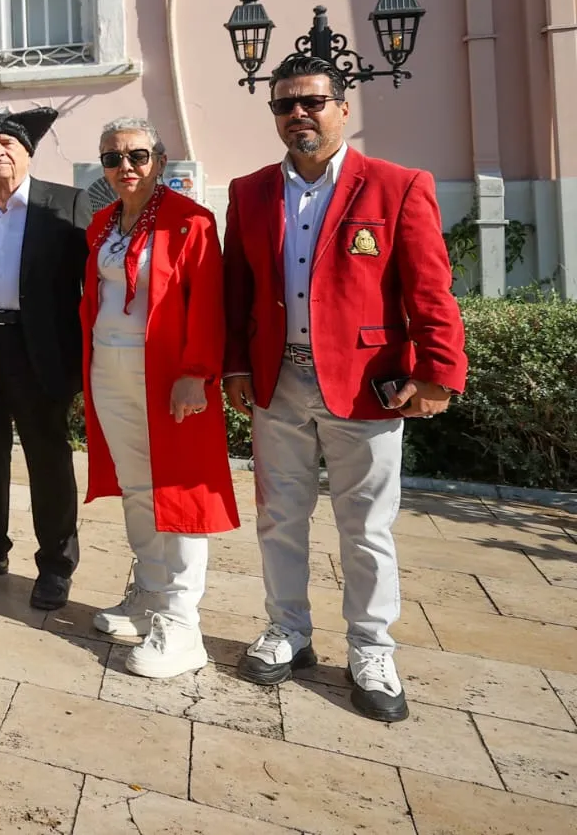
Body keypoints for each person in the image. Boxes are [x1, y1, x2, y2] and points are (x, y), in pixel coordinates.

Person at [223, 54, 466, 723]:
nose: (298, 113)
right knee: (280, 517)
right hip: (278, 382)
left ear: (343, 108)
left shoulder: (396, 185)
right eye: (284, 104)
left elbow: (429, 288)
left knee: (365, 527)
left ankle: (370, 645)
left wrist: (439, 373)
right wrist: (237, 366)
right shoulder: (248, 193)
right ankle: (289, 629)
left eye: (312, 101)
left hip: (365, 387)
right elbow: (236, 290)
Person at [79, 118, 235, 678]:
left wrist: (197, 373)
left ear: (160, 162)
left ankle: (181, 622)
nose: (126, 168)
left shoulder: (190, 222)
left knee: (179, 492)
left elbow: (208, 303)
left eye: (138, 156)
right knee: (138, 487)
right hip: (109, 368)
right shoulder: (102, 222)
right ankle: (148, 595)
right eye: (113, 159)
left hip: (167, 373)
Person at [0, 107, 89, 611]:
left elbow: (89, 286)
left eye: (7, 143)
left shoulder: (66, 205)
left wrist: (80, 363)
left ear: (28, 152)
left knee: (47, 460)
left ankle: (55, 564)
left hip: (40, 350)